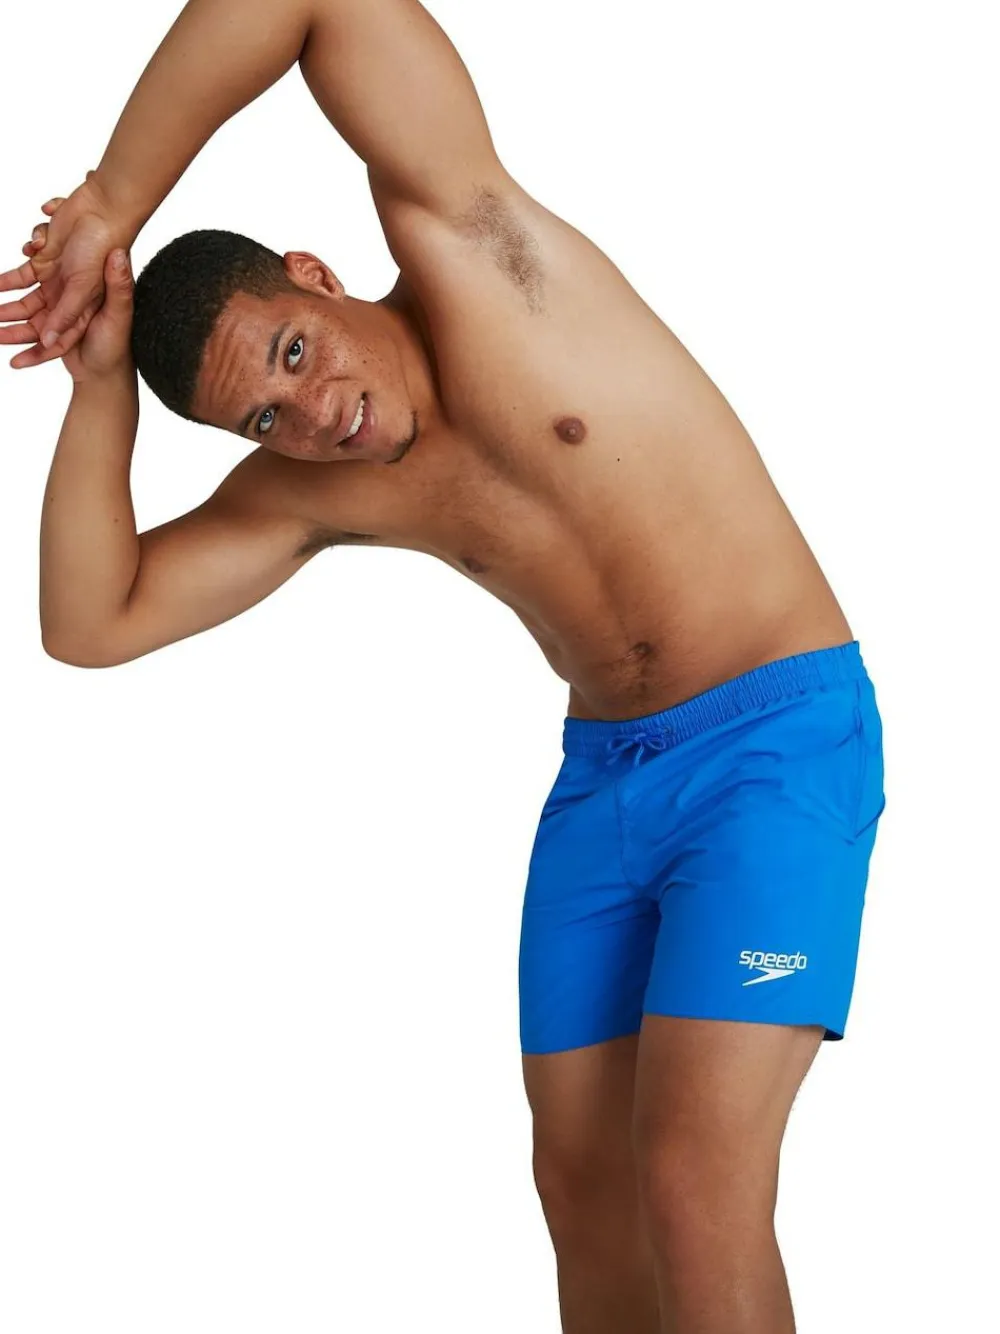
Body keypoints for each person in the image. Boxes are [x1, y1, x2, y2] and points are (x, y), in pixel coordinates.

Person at [0, 2, 885, 1330]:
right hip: (606, 783)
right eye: (267, 416)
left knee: (697, 1184)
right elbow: (91, 621)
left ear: (318, 276)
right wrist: (100, 386)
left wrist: (112, 203)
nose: (319, 414)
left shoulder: (480, 251)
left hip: (772, 742)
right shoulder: (313, 490)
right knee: (582, 1188)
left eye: (294, 352)